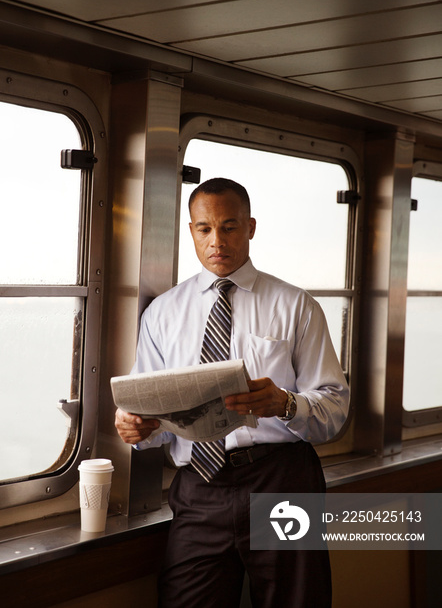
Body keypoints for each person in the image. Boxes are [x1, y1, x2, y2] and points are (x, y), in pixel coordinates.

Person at [115, 177, 349, 608]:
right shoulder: (162, 314)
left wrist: (286, 403)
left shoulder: (297, 307)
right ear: (191, 231)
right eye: (205, 228)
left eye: (229, 226)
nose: (216, 240)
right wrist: (139, 426)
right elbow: (156, 423)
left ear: (251, 227)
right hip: (199, 486)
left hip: (281, 482)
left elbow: (334, 408)